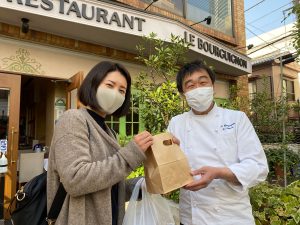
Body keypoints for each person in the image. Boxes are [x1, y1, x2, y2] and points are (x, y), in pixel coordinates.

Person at [47, 61, 153, 225]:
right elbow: (75, 180)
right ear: (93, 85)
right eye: (110, 85)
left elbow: (107, 185)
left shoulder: (107, 131)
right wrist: (131, 153)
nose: (116, 94)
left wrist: (144, 184)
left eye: (122, 91)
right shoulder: (73, 119)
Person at [167, 60, 269, 225]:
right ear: (183, 94)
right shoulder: (176, 123)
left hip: (231, 216)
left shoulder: (236, 119)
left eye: (203, 82)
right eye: (190, 85)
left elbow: (258, 167)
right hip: (191, 217)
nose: (198, 89)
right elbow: (169, 171)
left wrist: (219, 173)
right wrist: (168, 156)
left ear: (213, 87)